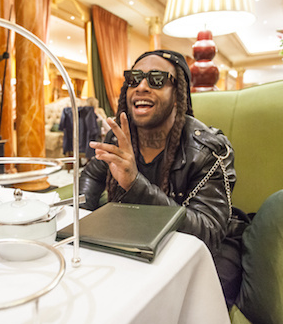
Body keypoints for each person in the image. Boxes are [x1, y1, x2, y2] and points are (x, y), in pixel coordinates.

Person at [80, 49, 245, 307]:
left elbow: (208, 233)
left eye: (156, 79)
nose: (141, 86)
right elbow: (90, 176)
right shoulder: (121, 137)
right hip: (140, 239)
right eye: (134, 78)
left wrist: (135, 184)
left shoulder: (208, 149)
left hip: (204, 251)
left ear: (178, 94)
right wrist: (79, 219)